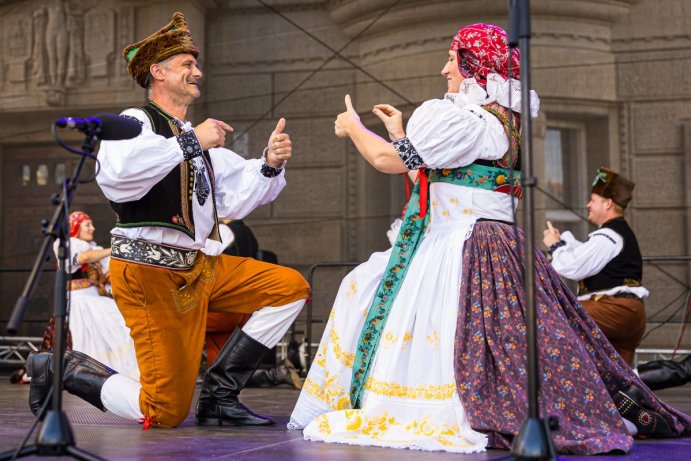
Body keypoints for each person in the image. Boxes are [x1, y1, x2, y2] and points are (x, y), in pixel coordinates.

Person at [288, 23, 691, 454]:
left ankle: (430, 407)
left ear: (475, 66)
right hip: (493, 241)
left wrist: (353, 127)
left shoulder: (464, 117)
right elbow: (430, 172)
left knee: (391, 303)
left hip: (459, 242)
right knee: (505, 336)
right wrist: (401, 133)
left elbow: (390, 163)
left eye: (453, 58)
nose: (445, 69)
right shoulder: (500, 122)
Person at [26, 12, 310, 429]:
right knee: (164, 412)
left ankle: (219, 395)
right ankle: (61, 366)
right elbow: (120, 176)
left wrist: (268, 163)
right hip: (148, 272)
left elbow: (236, 193)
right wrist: (192, 141)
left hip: (200, 267)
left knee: (289, 288)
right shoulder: (136, 122)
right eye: (187, 65)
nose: (198, 71)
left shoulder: (195, 136)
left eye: (196, 64)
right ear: (158, 72)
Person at [543, 167, 647, 366]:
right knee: (618, 380)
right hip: (629, 313)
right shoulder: (614, 234)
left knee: (551, 317)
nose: (588, 204)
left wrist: (555, 246)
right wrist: (563, 245)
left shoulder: (608, 236)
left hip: (614, 310)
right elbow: (584, 255)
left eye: (593, 200)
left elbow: (574, 267)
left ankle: (541, 385)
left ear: (608, 204)